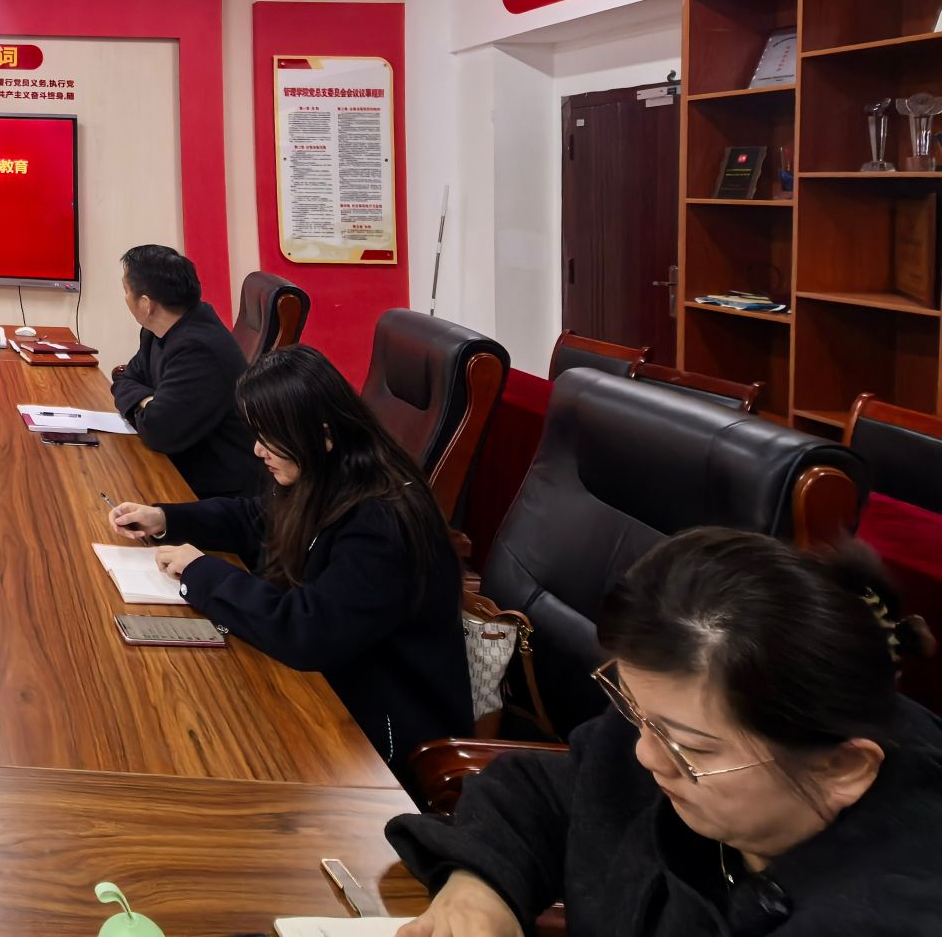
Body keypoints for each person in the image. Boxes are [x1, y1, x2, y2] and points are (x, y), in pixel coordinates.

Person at [388, 528, 942, 937]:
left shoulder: (896, 909)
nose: (646, 755)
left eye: (691, 747)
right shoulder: (681, 721)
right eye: (635, 713)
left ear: (841, 768)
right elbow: (545, 795)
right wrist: (480, 891)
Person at [108, 343, 470, 766]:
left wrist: (201, 572)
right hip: (330, 684)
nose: (258, 450)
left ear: (325, 435)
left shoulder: (382, 523)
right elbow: (255, 518)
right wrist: (165, 518)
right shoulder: (328, 470)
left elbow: (307, 630)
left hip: (383, 733)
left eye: (270, 438)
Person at [108, 243, 260, 498]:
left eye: (126, 291)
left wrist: (147, 405)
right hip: (180, 462)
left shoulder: (199, 350)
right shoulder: (156, 331)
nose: (125, 298)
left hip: (215, 490)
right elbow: (124, 378)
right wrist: (148, 402)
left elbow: (158, 431)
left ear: (146, 304)